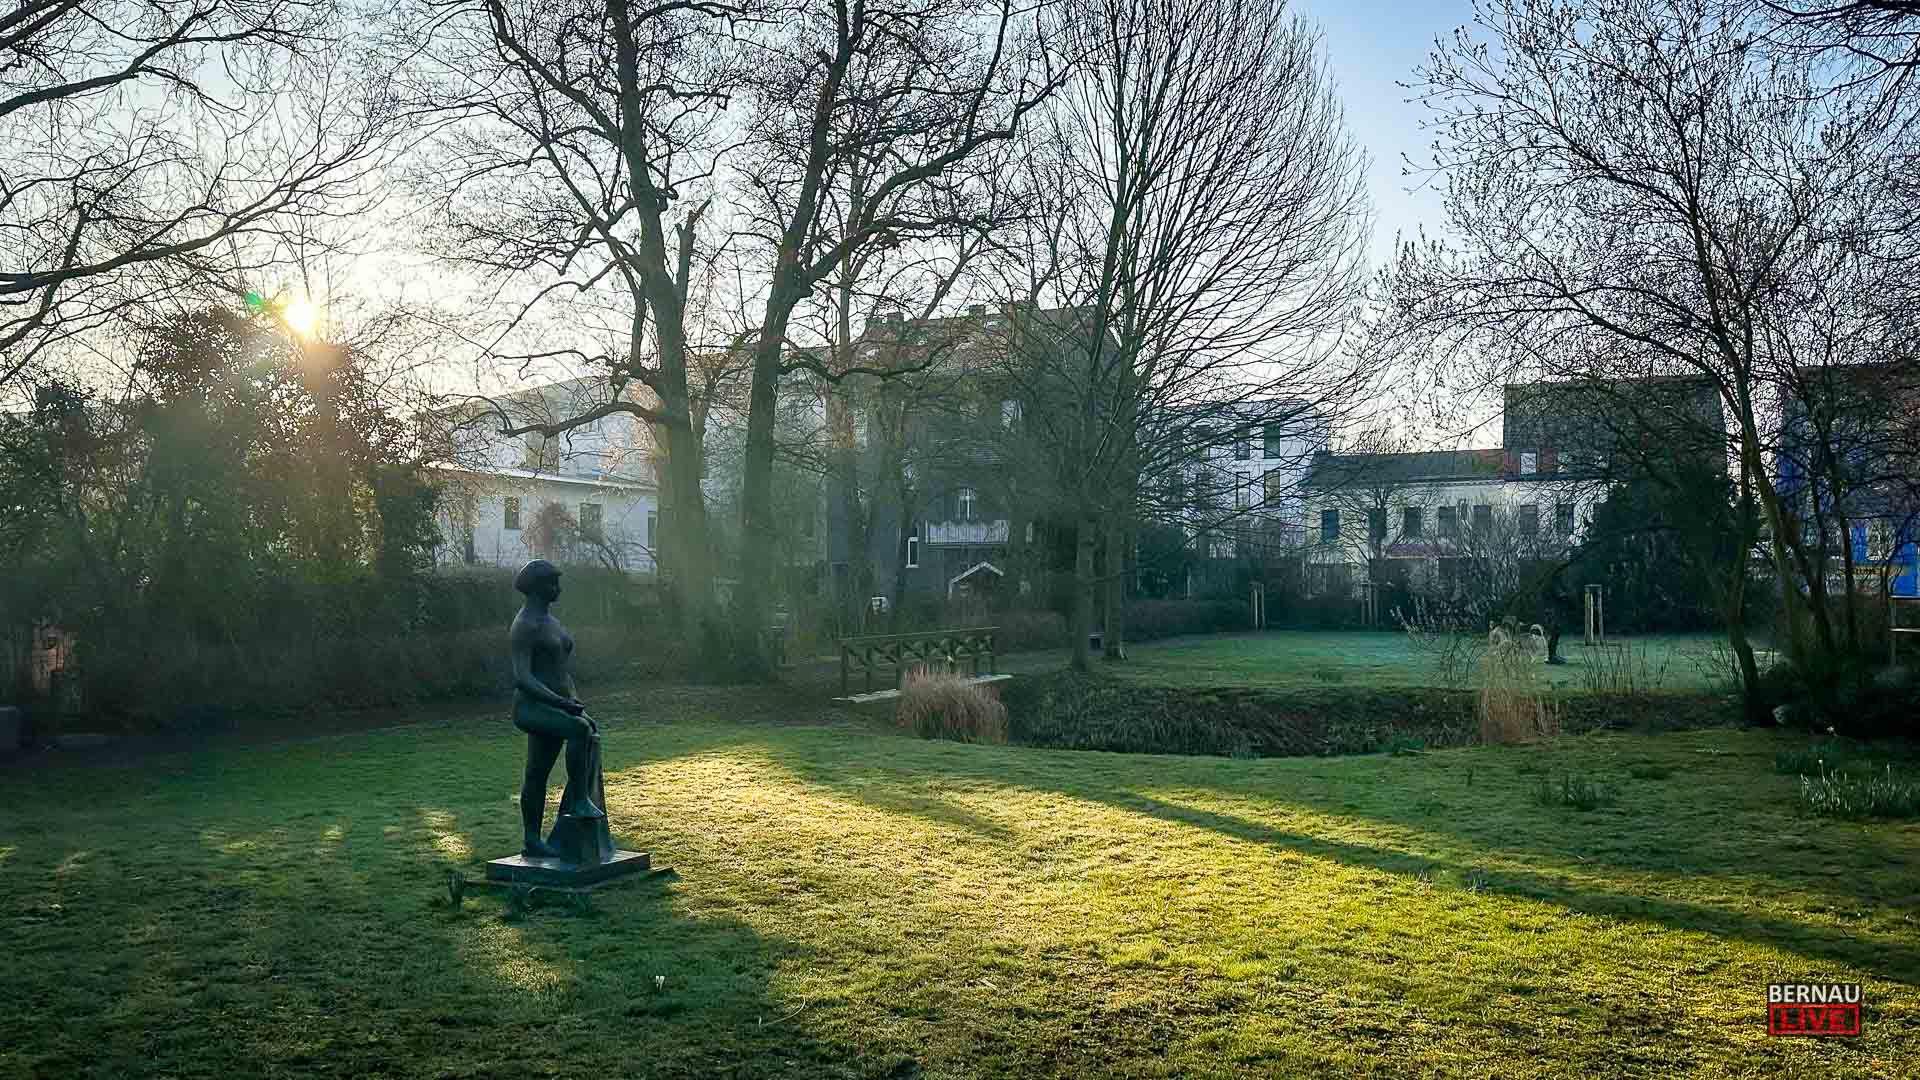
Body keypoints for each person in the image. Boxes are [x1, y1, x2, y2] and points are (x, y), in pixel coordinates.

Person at [509, 559, 601, 859]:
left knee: (536, 772)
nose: (557, 588)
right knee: (579, 731)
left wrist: (575, 704)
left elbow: (562, 673)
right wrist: (562, 705)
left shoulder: (551, 621)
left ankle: (532, 841)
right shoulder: (526, 625)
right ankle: (578, 799)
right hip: (531, 707)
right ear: (536, 588)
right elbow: (522, 677)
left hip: (557, 705)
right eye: (551, 583)